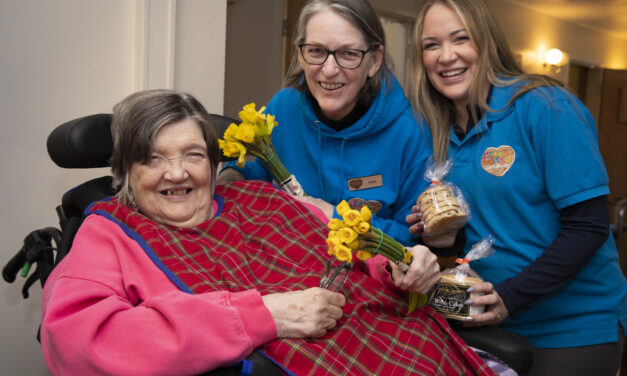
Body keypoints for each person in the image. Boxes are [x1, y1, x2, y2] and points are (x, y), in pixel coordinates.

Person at [40, 89, 496, 376]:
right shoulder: (108, 233)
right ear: (125, 170)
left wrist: (405, 270)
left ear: (215, 164)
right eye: (153, 158)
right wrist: (264, 315)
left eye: (193, 155)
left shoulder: (262, 199)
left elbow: (358, 264)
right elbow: (78, 345)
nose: (175, 173)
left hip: (402, 348)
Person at [406, 0, 627, 375]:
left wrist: (510, 297)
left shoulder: (545, 106)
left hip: (571, 330)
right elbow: (485, 234)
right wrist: (443, 239)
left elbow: (587, 227)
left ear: (487, 41)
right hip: (488, 327)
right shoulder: (438, 134)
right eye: (431, 45)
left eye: (461, 39)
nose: (446, 56)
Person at [217, 0, 431, 247]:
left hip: (371, 279)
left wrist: (334, 217)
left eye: (348, 54)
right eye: (316, 51)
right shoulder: (283, 108)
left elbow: (413, 240)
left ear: (374, 61)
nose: (329, 70)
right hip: (287, 267)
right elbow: (264, 173)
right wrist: (234, 175)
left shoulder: (409, 133)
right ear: (300, 54)